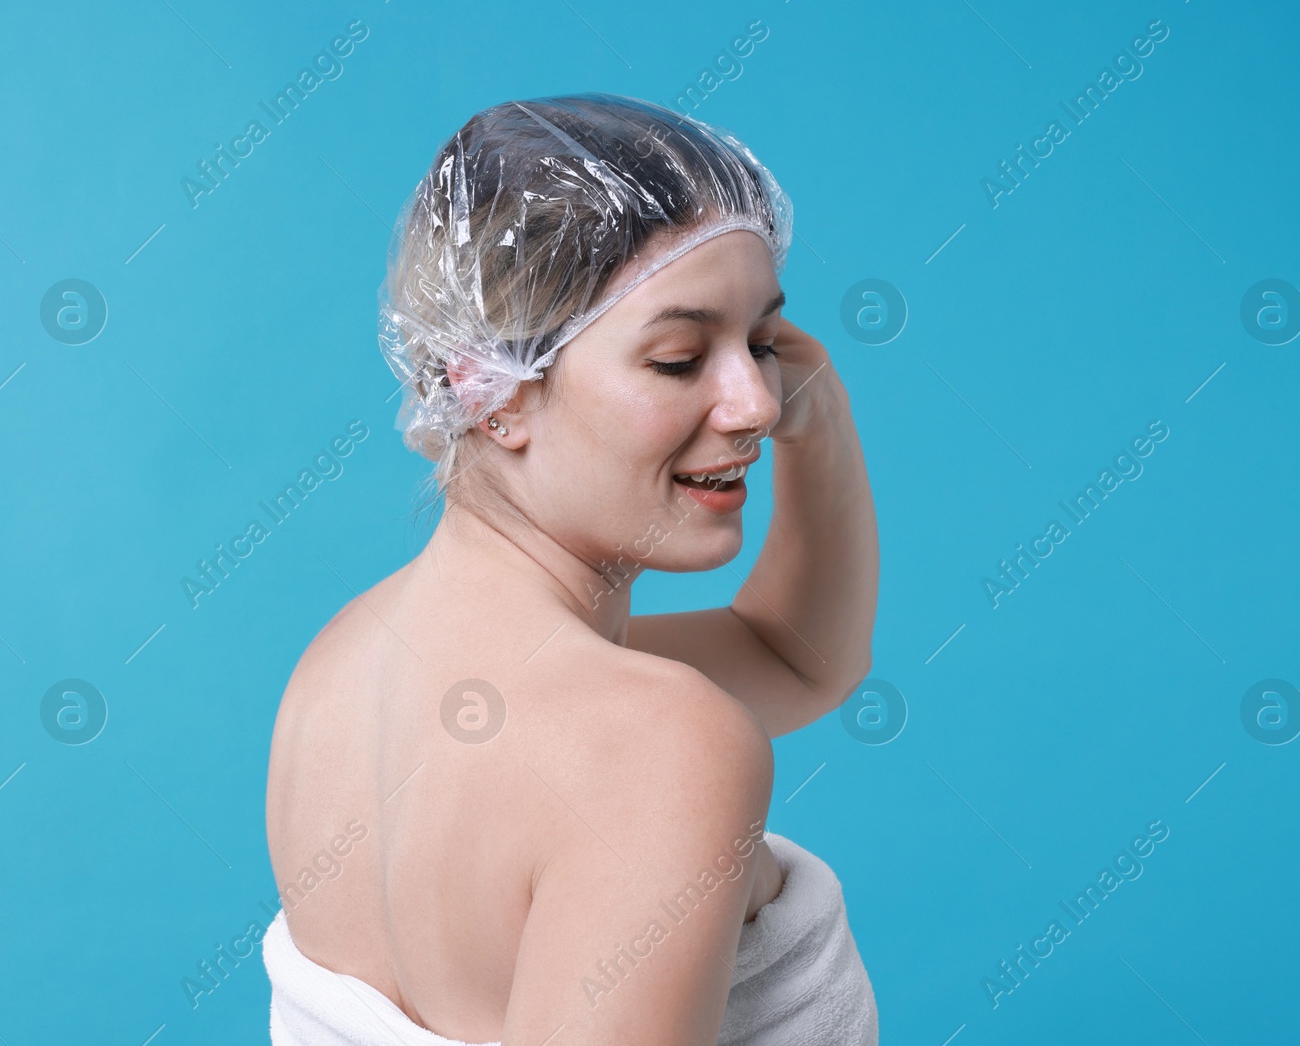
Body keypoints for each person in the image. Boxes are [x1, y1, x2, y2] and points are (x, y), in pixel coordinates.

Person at [264, 93, 880, 1046]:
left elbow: (798, 657)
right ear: (497, 393)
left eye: (760, 343)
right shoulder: (660, 745)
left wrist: (822, 408)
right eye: (679, 359)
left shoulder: (339, 667)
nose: (757, 401)